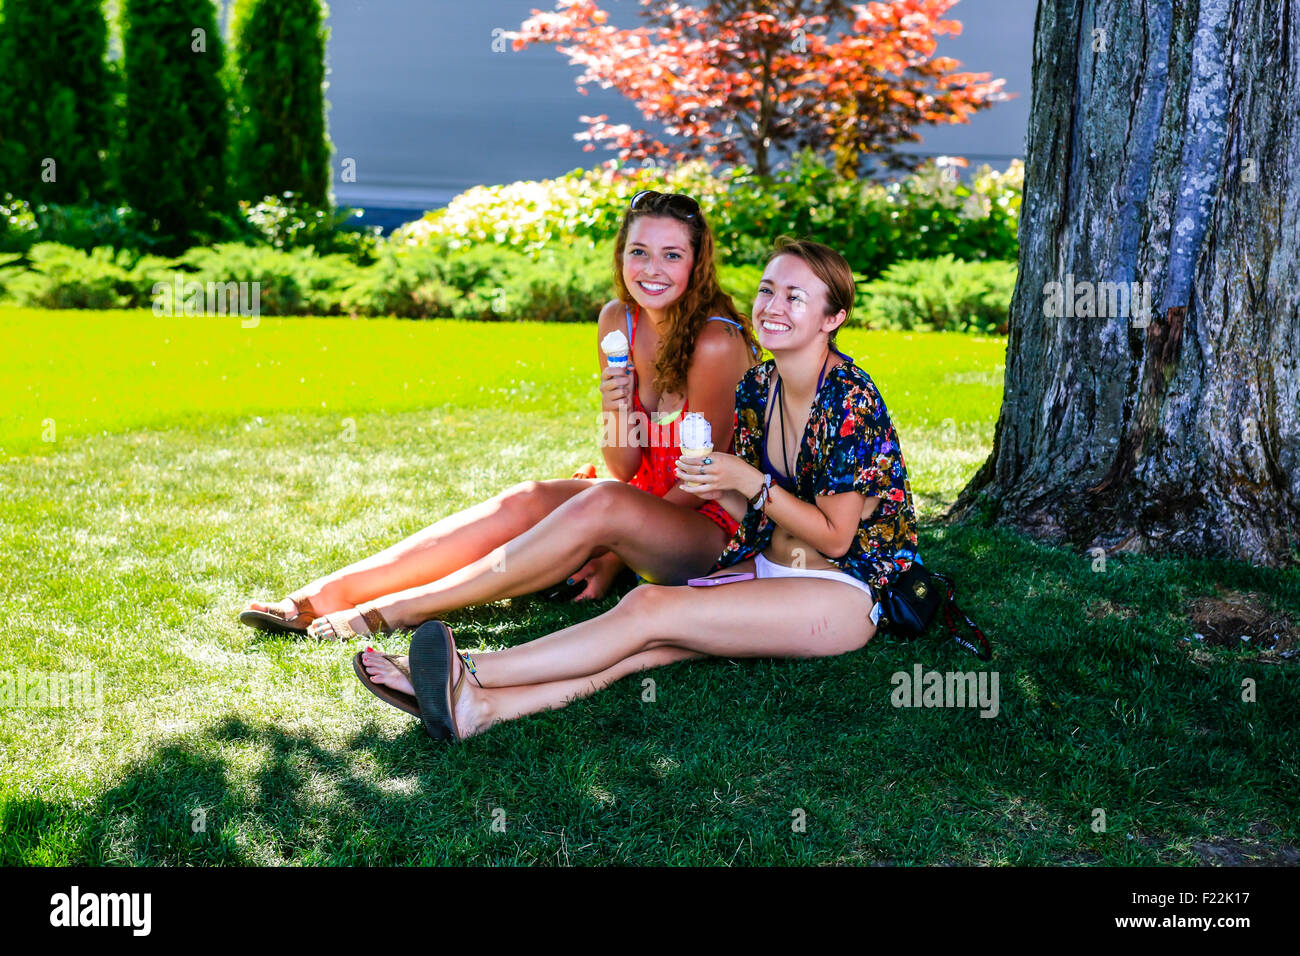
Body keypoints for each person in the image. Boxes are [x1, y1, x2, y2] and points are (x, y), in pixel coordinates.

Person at [354, 238, 921, 741]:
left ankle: (467, 669)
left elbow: (838, 537)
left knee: (650, 608)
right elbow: (740, 502)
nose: (773, 306)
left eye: (795, 298)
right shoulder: (760, 386)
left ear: (832, 318)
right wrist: (710, 491)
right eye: (768, 289)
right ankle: (479, 710)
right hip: (770, 569)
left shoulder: (850, 400)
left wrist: (746, 481)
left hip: (845, 592)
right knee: (645, 649)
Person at [240, 190, 759, 641]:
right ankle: (318, 597)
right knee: (528, 499)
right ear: (621, 255)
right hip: (638, 496)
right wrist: (615, 403)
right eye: (639, 251)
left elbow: (704, 477)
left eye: (672, 255)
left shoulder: (716, 342)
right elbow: (625, 468)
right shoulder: (616, 320)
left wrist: (618, 550)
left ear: (697, 263)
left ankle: (395, 611)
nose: (651, 269)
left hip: (710, 523)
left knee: (602, 503)